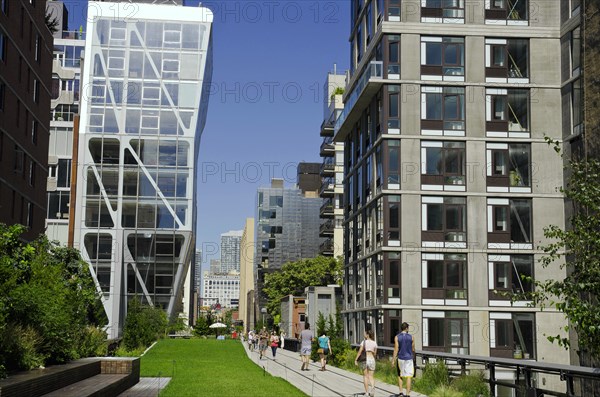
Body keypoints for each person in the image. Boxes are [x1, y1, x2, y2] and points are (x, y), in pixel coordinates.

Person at [392, 322, 415, 397]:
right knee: (408, 376)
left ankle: (401, 392)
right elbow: (413, 348)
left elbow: (396, 349)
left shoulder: (397, 337)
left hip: (400, 358)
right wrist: (413, 355)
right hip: (409, 358)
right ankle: (408, 394)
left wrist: (393, 360)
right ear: (407, 328)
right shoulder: (411, 337)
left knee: (400, 375)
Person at [355, 329, 377, 397]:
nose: (364, 334)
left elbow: (360, 351)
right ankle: (372, 388)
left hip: (365, 359)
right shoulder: (374, 343)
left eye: (365, 333)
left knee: (365, 376)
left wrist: (356, 359)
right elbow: (375, 353)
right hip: (372, 359)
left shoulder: (363, 342)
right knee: (371, 376)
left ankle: (367, 392)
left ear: (367, 335)